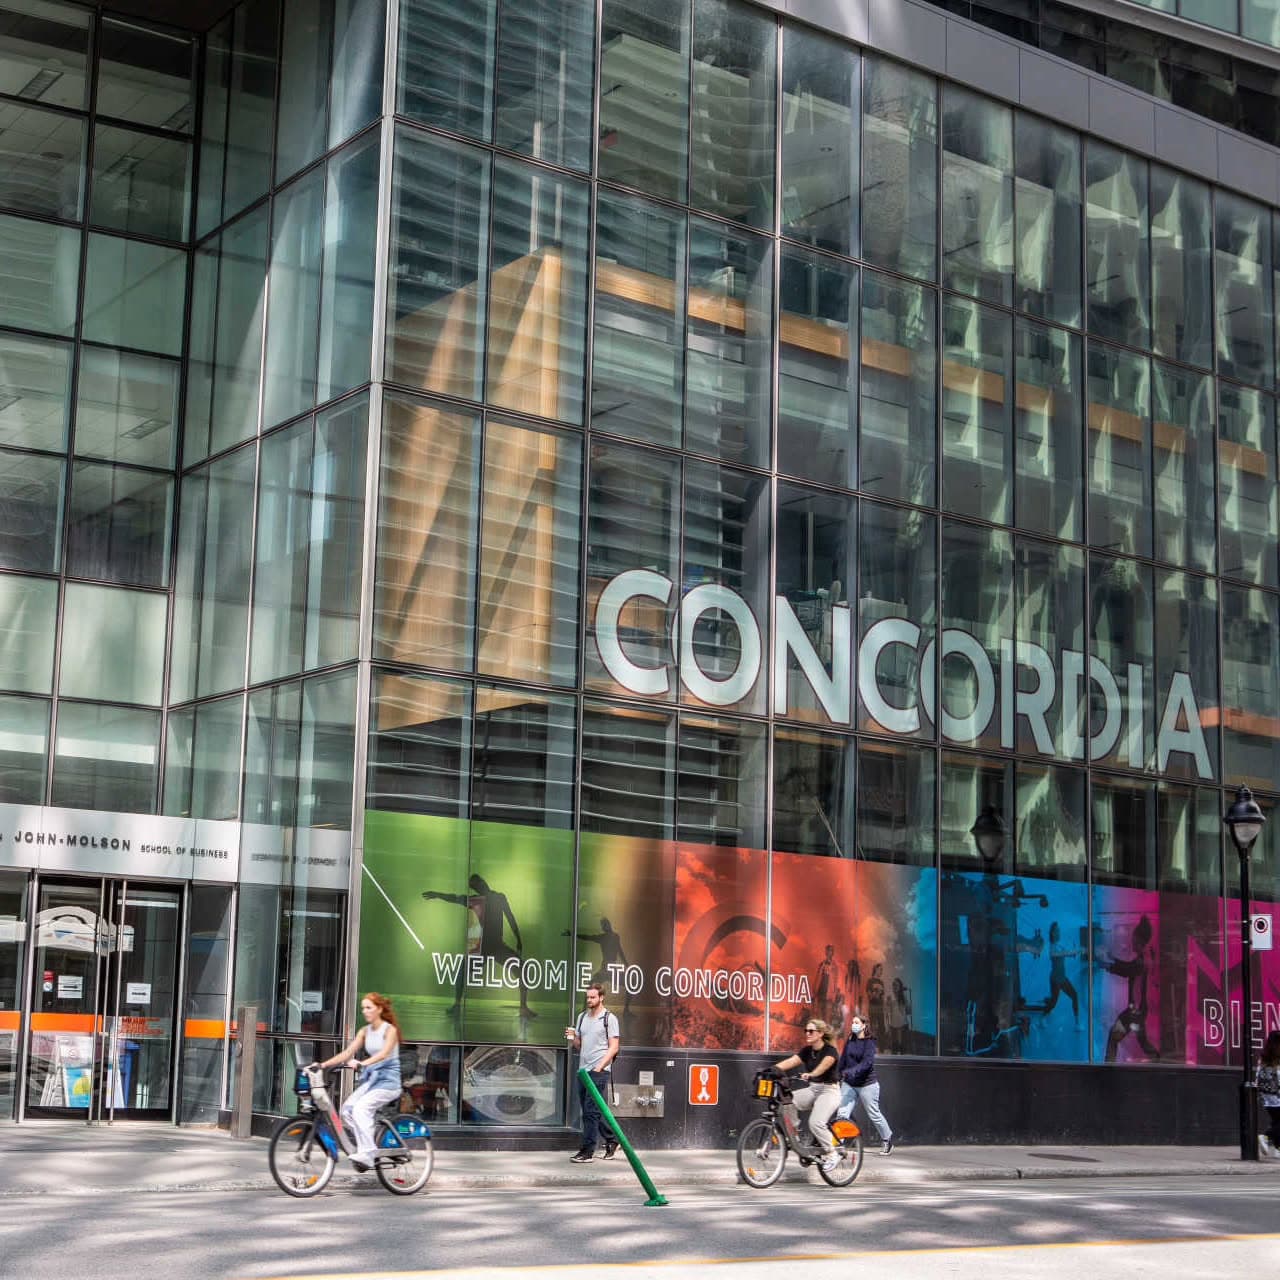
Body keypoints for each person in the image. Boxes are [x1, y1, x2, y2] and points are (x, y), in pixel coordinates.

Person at [422, 873, 536, 1019]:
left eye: (479, 883)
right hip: (482, 947)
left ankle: (523, 1007)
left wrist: (518, 939)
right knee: (462, 970)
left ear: (483, 882)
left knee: (522, 966)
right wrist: (438, 895)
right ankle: (457, 1005)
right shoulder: (478, 900)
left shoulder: (498, 898)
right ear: (476, 888)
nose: (480, 886)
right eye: (476, 885)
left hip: (495, 945)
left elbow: (510, 918)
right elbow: (455, 898)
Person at [318, 992, 403, 1172]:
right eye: (363, 1008)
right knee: (347, 1111)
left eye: (368, 1007)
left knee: (360, 1109)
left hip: (388, 1082)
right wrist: (322, 1065)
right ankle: (367, 1145)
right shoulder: (364, 1031)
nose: (364, 1011)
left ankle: (368, 1153)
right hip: (372, 1081)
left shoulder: (390, 1030)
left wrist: (362, 1064)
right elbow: (347, 1053)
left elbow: (384, 1054)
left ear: (379, 1009)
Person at [773, 1017, 842, 1173]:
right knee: (787, 1101)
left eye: (811, 1031)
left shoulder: (830, 1051)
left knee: (816, 1122)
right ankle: (794, 1138)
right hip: (813, 1089)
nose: (807, 1033)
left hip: (829, 1091)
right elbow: (791, 1062)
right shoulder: (807, 1051)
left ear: (820, 1033)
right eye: (806, 1031)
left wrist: (811, 1074)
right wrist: (771, 1070)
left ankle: (832, 1154)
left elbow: (823, 1066)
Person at [566, 982, 620, 1162]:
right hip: (583, 1070)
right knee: (591, 1111)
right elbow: (580, 1046)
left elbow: (614, 1047)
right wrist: (572, 1037)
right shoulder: (582, 1017)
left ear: (601, 997)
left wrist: (600, 1066)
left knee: (590, 1111)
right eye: (587, 997)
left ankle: (587, 1152)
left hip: (599, 1071)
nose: (589, 1000)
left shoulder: (609, 1019)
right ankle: (612, 1140)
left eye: (592, 997)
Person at [836, 1010, 894, 1155]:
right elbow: (843, 1058)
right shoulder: (850, 1039)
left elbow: (867, 1063)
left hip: (867, 1084)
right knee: (842, 1113)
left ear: (863, 1026)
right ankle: (838, 1144)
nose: (853, 1025)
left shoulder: (870, 1042)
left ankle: (887, 1139)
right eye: (852, 1022)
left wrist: (851, 1071)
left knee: (874, 1114)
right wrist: (838, 1073)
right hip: (849, 1083)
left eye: (856, 1023)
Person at [1256, 1030, 1280, 1159]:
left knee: (1277, 1121)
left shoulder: (1264, 1056)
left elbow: (1258, 1075)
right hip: (1277, 1095)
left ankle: (1278, 1149)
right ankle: (1265, 1136)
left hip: (1266, 1096)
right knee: (1278, 1123)